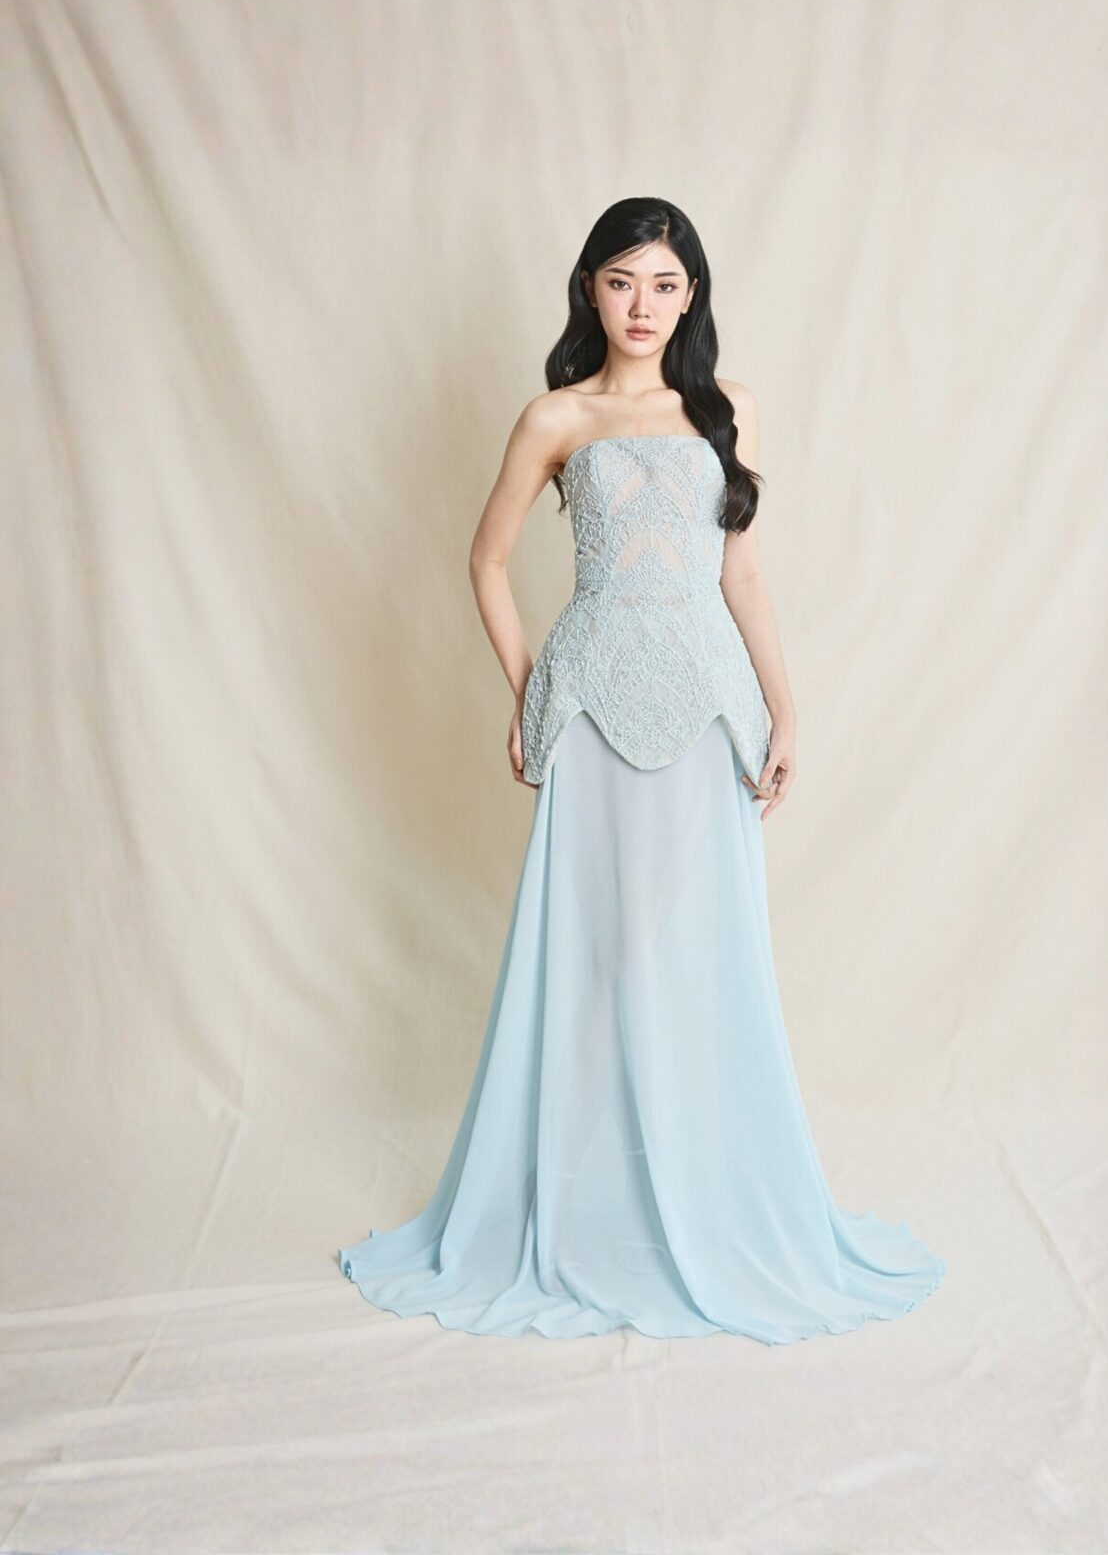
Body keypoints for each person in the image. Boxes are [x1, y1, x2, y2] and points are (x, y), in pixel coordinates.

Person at [336, 197, 946, 1342]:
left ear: (691, 296)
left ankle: (696, 1192)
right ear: (589, 289)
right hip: (592, 705)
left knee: (695, 948)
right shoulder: (555, 416)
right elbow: (485, 561)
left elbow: (740, 574)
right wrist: (530, 690)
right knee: (595, 956)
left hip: (708, 706)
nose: (642, 305)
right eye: (621, 281)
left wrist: (783, 707)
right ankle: (588, 1205)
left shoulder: (725, 407)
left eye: (665, 284)